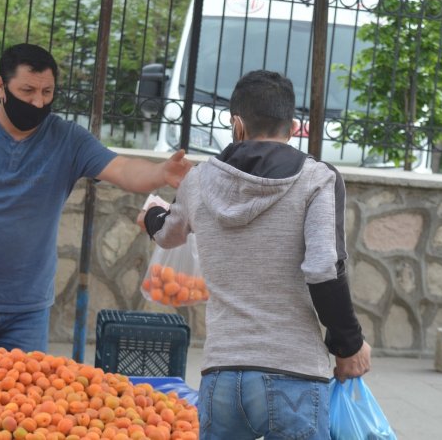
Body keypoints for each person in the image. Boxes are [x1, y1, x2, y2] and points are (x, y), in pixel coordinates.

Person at [0, 43, 192, 357]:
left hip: (27, 309)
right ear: (0, 86)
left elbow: (123, 169)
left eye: (47, 92)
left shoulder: (68, 139)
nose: (38, 102)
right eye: (27, 91)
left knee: (26, 403)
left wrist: (161, 171)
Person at [137, 70, 371, 439]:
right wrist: (349, 345)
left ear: (237, 125)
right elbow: (324, 269)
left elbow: (167, 233)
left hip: (223, 377)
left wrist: (150, 215)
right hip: (293, 373)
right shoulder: (317, 179)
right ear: (292, 127)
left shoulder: (197, 181)